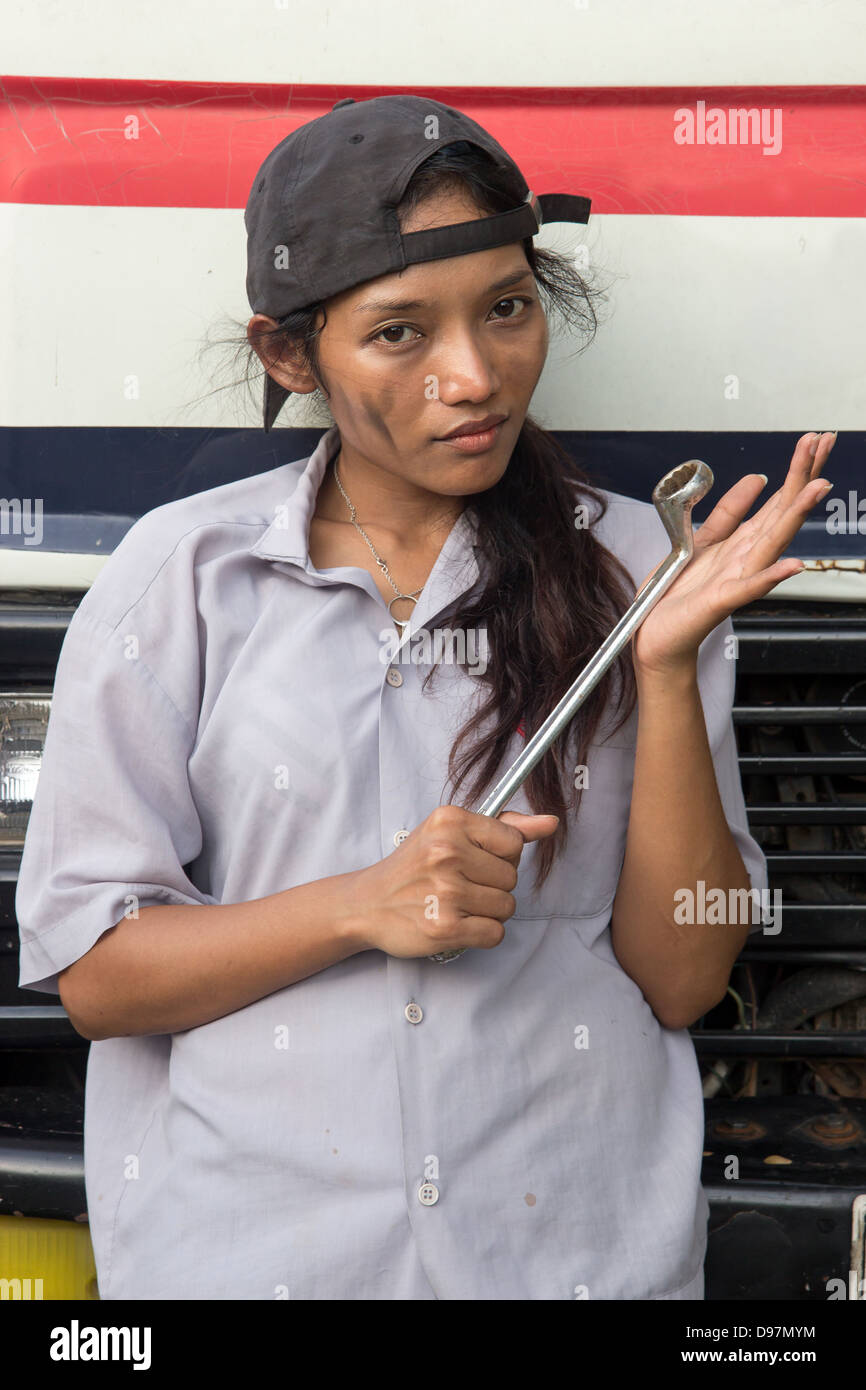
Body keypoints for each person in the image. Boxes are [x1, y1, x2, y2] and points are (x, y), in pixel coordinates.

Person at [15, 95, 836, 1301]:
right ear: (290, 355)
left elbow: (681, 978)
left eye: (506, 308)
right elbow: (96, 974)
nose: (474, 376)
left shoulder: (639, 576)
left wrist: (660, 668)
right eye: (400, 333)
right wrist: (358, 903)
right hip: (251, 1264)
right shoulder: (182, 575)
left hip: (572, 1263)